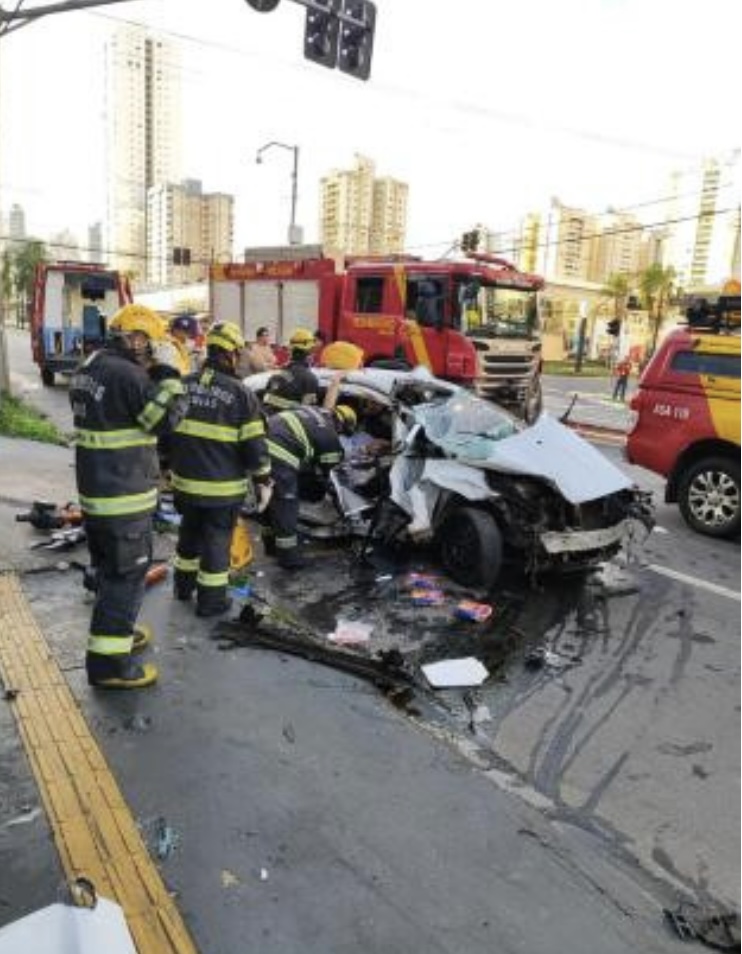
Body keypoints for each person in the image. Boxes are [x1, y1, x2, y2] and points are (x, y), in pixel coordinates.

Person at [68, 304, 187, 689]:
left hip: (97, 492)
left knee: (110, 571)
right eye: (149, 345)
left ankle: (118, 634)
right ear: (134, 337)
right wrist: (169, 375)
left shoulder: (90, 367)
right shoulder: (128, 375)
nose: (150, 352)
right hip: (124, 496)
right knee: (126, 576)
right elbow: (164, 422)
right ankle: (109, 666)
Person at [169, 321, 272, 616]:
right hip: (221, 490)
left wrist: (168, 468)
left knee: (188, 535)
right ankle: (211, 602)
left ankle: (183, 587)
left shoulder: (183, 384)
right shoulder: (241, 394)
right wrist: (263, 480)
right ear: (232, 353)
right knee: (216, 543)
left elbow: (166, 434)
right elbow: (254, 446)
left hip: (184, 485)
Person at [263, 403, 357, 569]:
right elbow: (333, 479)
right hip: (280, 453)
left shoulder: (313, 410)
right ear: (342, 424)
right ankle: (289, 559)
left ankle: (270, 545)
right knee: (287, 505)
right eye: (342, 433)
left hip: (259, 445)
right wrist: (345, 507)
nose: (340, 435)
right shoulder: (329, 436)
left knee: (270, 499)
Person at [262, 327, 321, 413]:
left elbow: (267, 399)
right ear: (309, 354)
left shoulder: (277, 376)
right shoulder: (310, 379)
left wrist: (287, 404)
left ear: (291, 351)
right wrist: (294, 406)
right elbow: (307, 411)